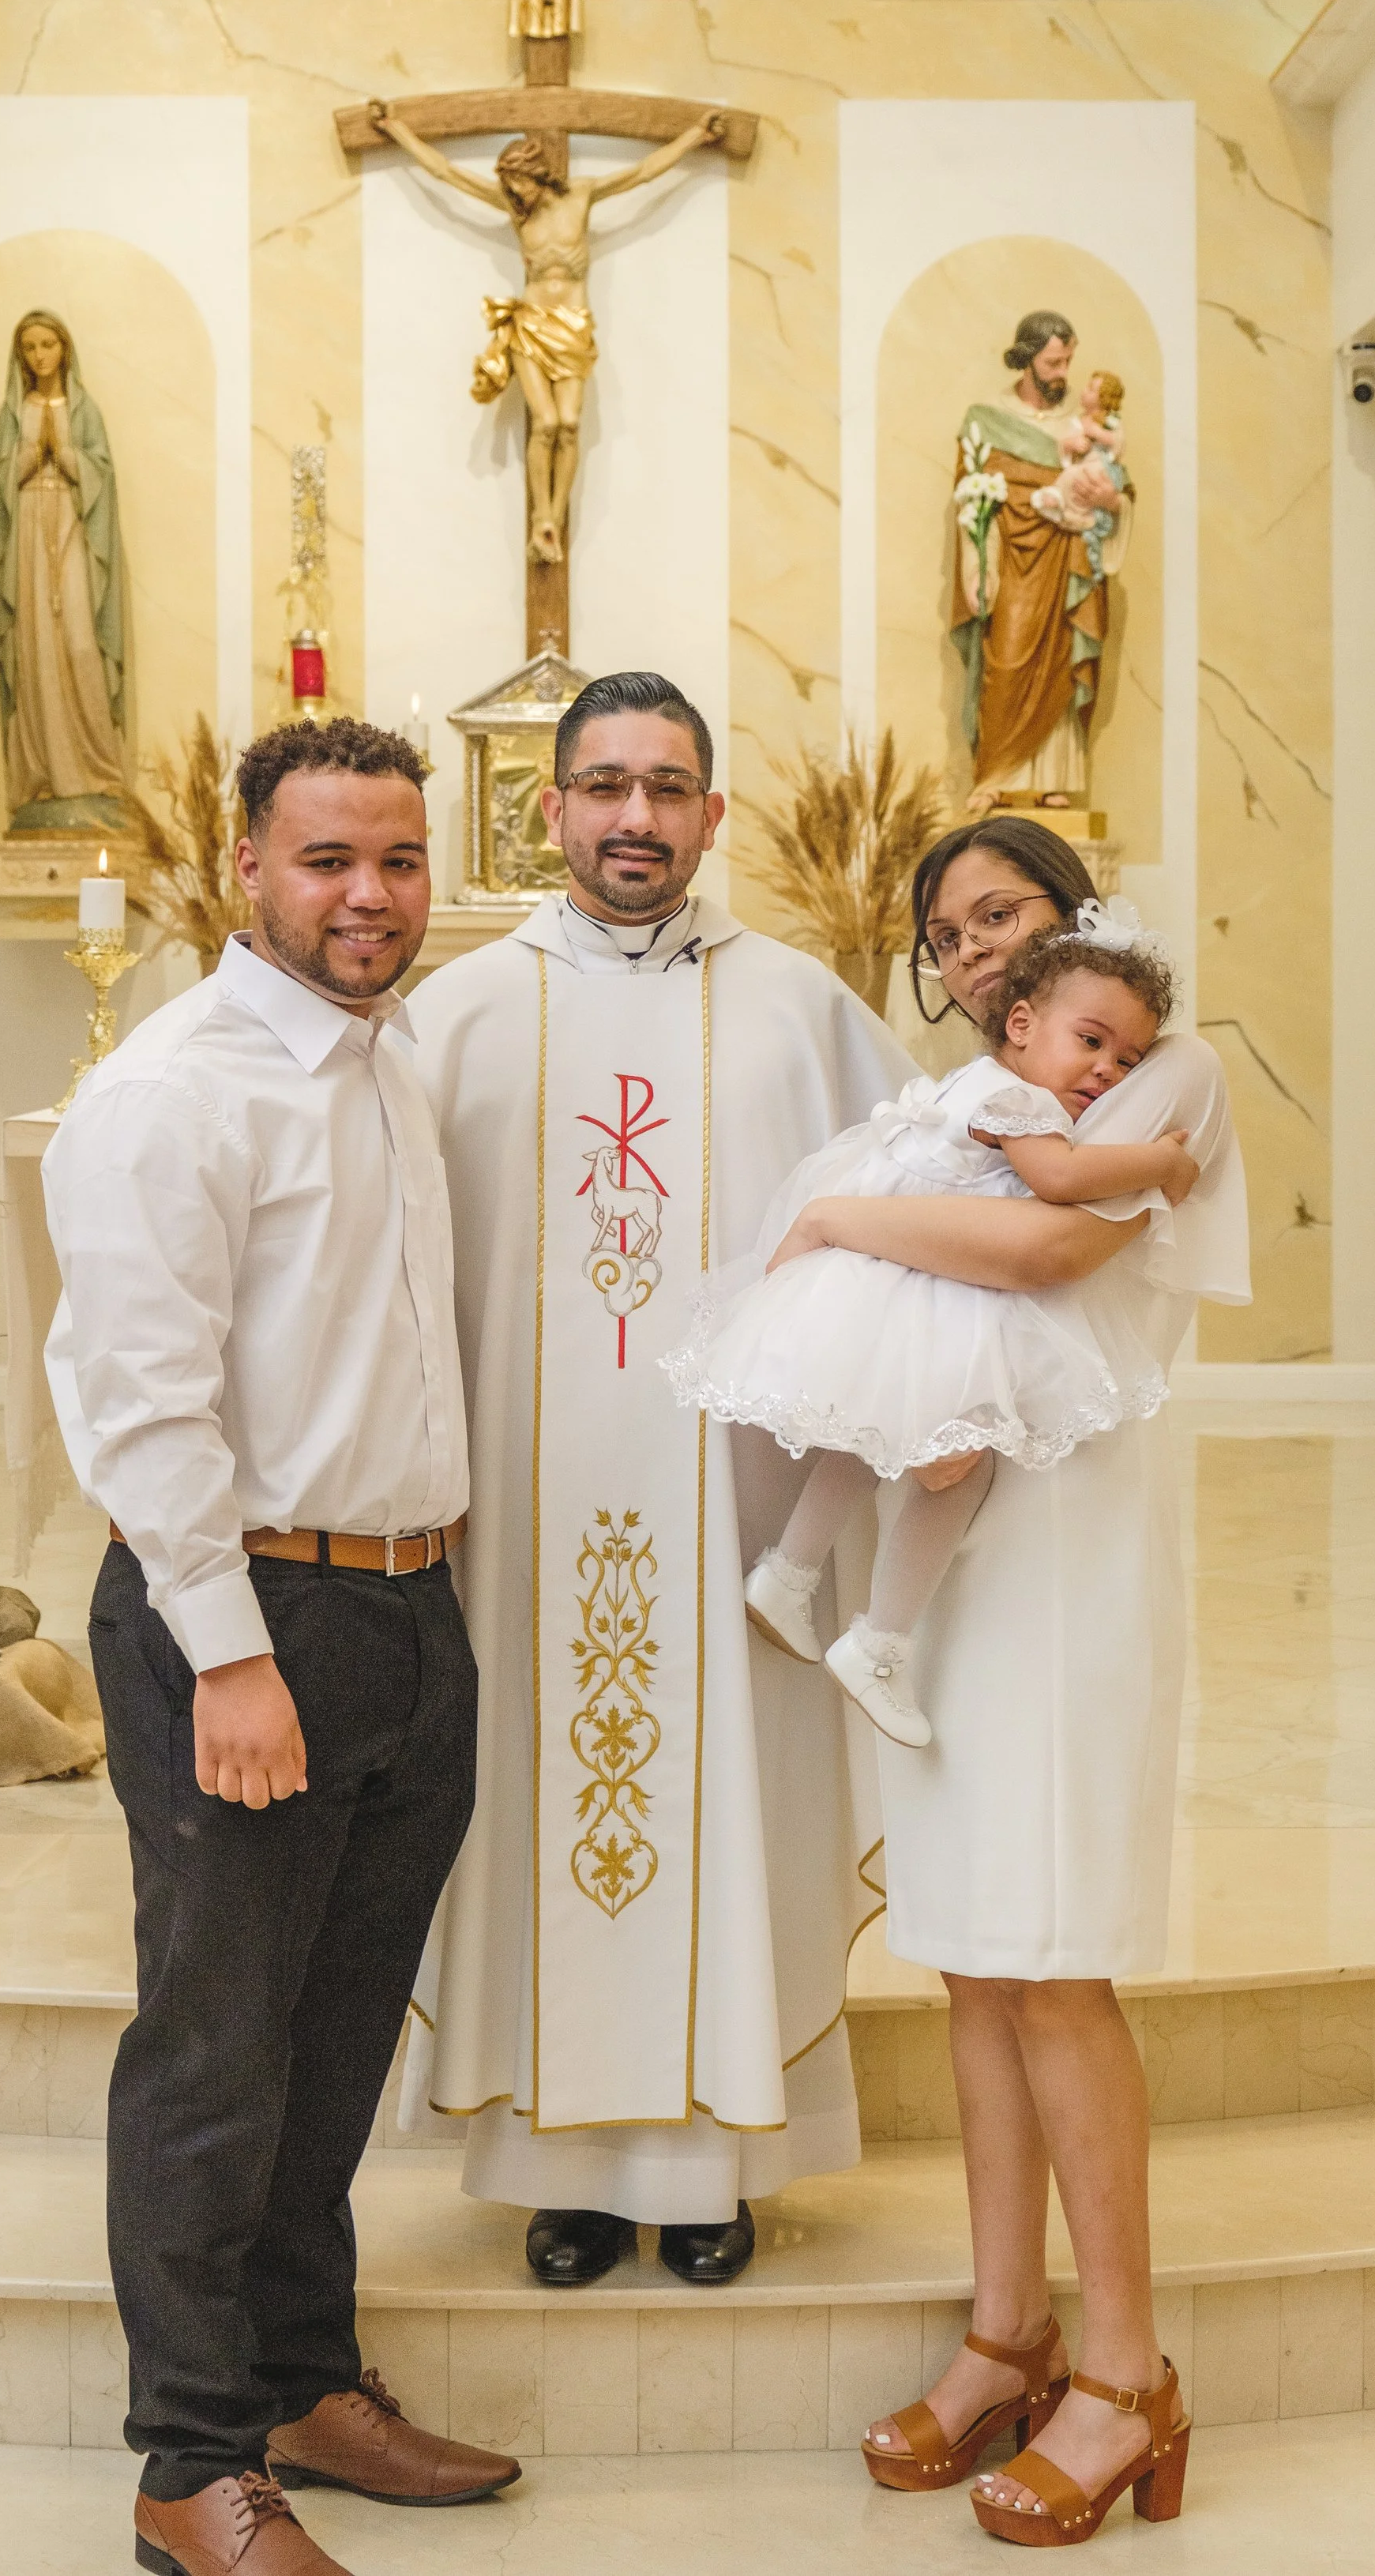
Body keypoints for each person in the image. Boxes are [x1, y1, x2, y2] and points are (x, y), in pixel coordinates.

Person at [45, 717, 520, 2576]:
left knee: (333, 2041)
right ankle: (187, 2457)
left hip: (404, 1607)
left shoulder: (389, 1063)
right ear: (245, 866)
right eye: (327, 857)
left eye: (396, 858)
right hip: (240, 1615)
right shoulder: (178, 1087)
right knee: (216, 2051)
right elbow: (143, 1401)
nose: (368, 894)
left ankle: (305, 2380)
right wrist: (232, 1653)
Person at [401, 671, 910, 2289]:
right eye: (604, 786)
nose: (635, 817)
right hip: (520, 1515)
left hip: (740, 1510)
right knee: (523, 1803)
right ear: (547, 812)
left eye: (667, 787)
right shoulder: (457, 1016)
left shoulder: (802, 1012)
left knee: (731, 1806)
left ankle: (710, 2166)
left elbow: (906, 1241)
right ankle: (554, 2162)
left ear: (710, 812)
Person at [788, 814, 1246, 2546]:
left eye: (1003, 915)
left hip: (1070, 1564)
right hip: (952, 1573)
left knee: (1053, 1967)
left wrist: (838, 1218)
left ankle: (1127, 2376)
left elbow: (1057, 1258)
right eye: (947, 931)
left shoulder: (1154, 1069)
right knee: (975, 1964)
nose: (976, 950)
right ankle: (1006, 2337)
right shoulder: (977, 1105)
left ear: (1071, 925)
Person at [667, 902, 1197, 1748]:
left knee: (869, 1435)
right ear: (1021, 1024)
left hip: (888, 1274)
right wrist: (1161, 1162)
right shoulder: (1014, 1098)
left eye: (1128, 1060)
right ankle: (881, 1641)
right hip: (920, 1279)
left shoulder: (983, 1084)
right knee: (962, 1462)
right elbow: (1059, 1180)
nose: (1107, 1071)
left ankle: (790, 1575)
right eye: (1090, 1041)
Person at [366, 106, 726, 566]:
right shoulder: (516, 210)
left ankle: (552, 518)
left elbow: (643, 172)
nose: (516, 195)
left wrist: (697, 134)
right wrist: (396, 130)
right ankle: (543, 519)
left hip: (574, 324)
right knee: (548, 423)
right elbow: (447, 174)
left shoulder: (583, 195)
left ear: (539, 175)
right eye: (510, 186)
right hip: (531, 324)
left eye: (521, 184)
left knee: (571, 424)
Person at [953, 311, 1133, 812]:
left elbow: (1118, 487)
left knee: (1060, 663)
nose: (1063, 373)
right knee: (1005, 658)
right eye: (1054, 362)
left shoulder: (1082, 424)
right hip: (1008, 567)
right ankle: (994, 775)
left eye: (1068, 361)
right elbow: (971, 500)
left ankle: (1056, 778)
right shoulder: (986, 420)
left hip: (1067, 565)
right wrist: (976, 570)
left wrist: (1114, 504)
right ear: (1028, 358)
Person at [0, 310, 129, 831]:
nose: (40, 355)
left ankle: (94, 770)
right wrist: (31, 454)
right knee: (36, 648)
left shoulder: (83, 409)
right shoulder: (14, 411)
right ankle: (43, 772)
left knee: (79, 643)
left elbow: (100, 477)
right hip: (28, 531)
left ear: (64, 349)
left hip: (73, 527)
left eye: (48, 344)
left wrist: (64, 454)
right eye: (30, 347)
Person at [1029, 370, 1127, 552]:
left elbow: (1119, 442)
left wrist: (1098, 434)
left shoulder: (1110, 420)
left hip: (1101, 467)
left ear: (1103, 397)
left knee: (1075, 476)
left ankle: (1070, 508)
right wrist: (1071, 445)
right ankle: (1065, 505)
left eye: (1091, 389)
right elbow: (1065, 445)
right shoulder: (1079, 420)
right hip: (1084, 466)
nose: (1084, 392)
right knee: (1072, 474)